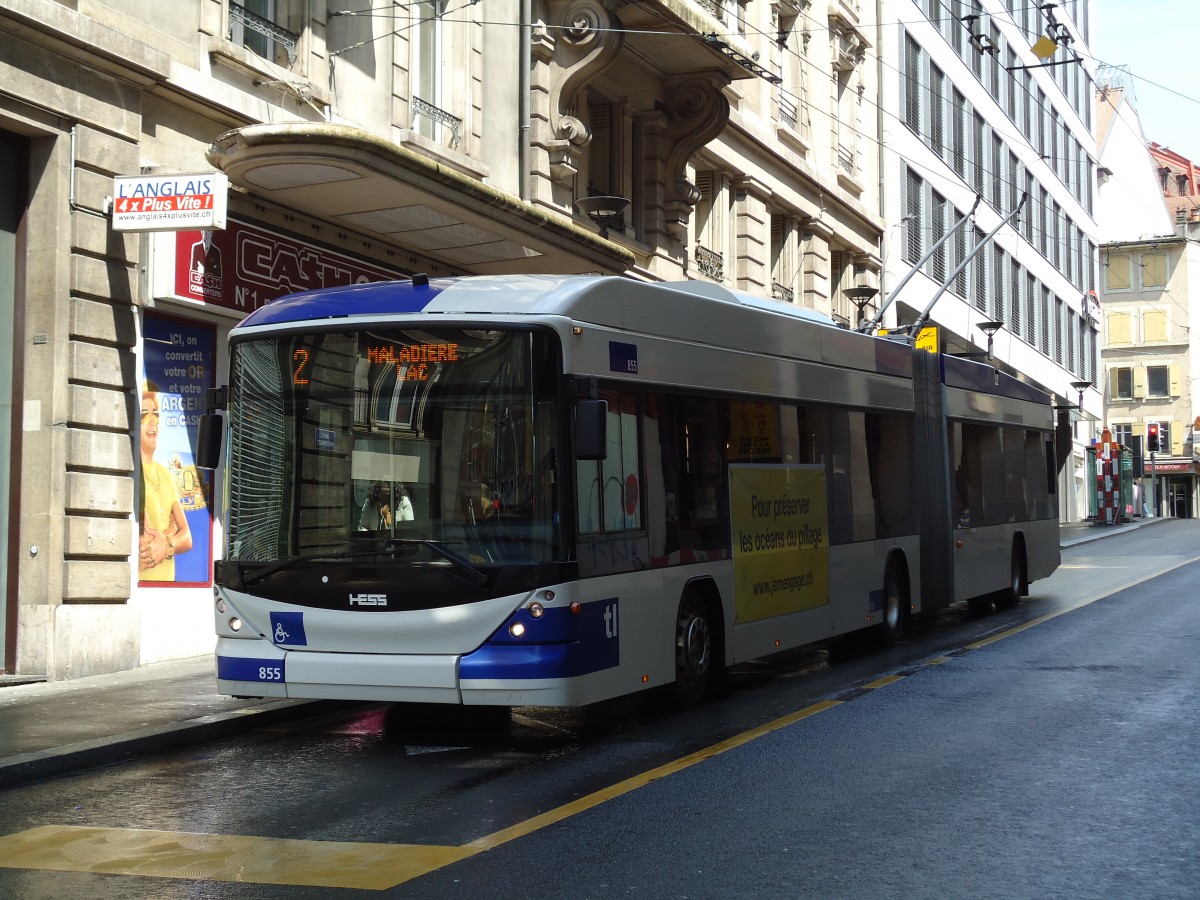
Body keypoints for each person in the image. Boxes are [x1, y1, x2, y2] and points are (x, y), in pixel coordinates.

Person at [139, 383, 194, 581]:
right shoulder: (132, 472)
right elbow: (140, 539)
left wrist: (166, 543)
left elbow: (187, 537)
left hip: (168, 586)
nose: (152, 422)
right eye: (144, 414)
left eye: (156, 414)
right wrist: (171, 531)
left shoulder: (164, 474)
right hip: (140, 587)